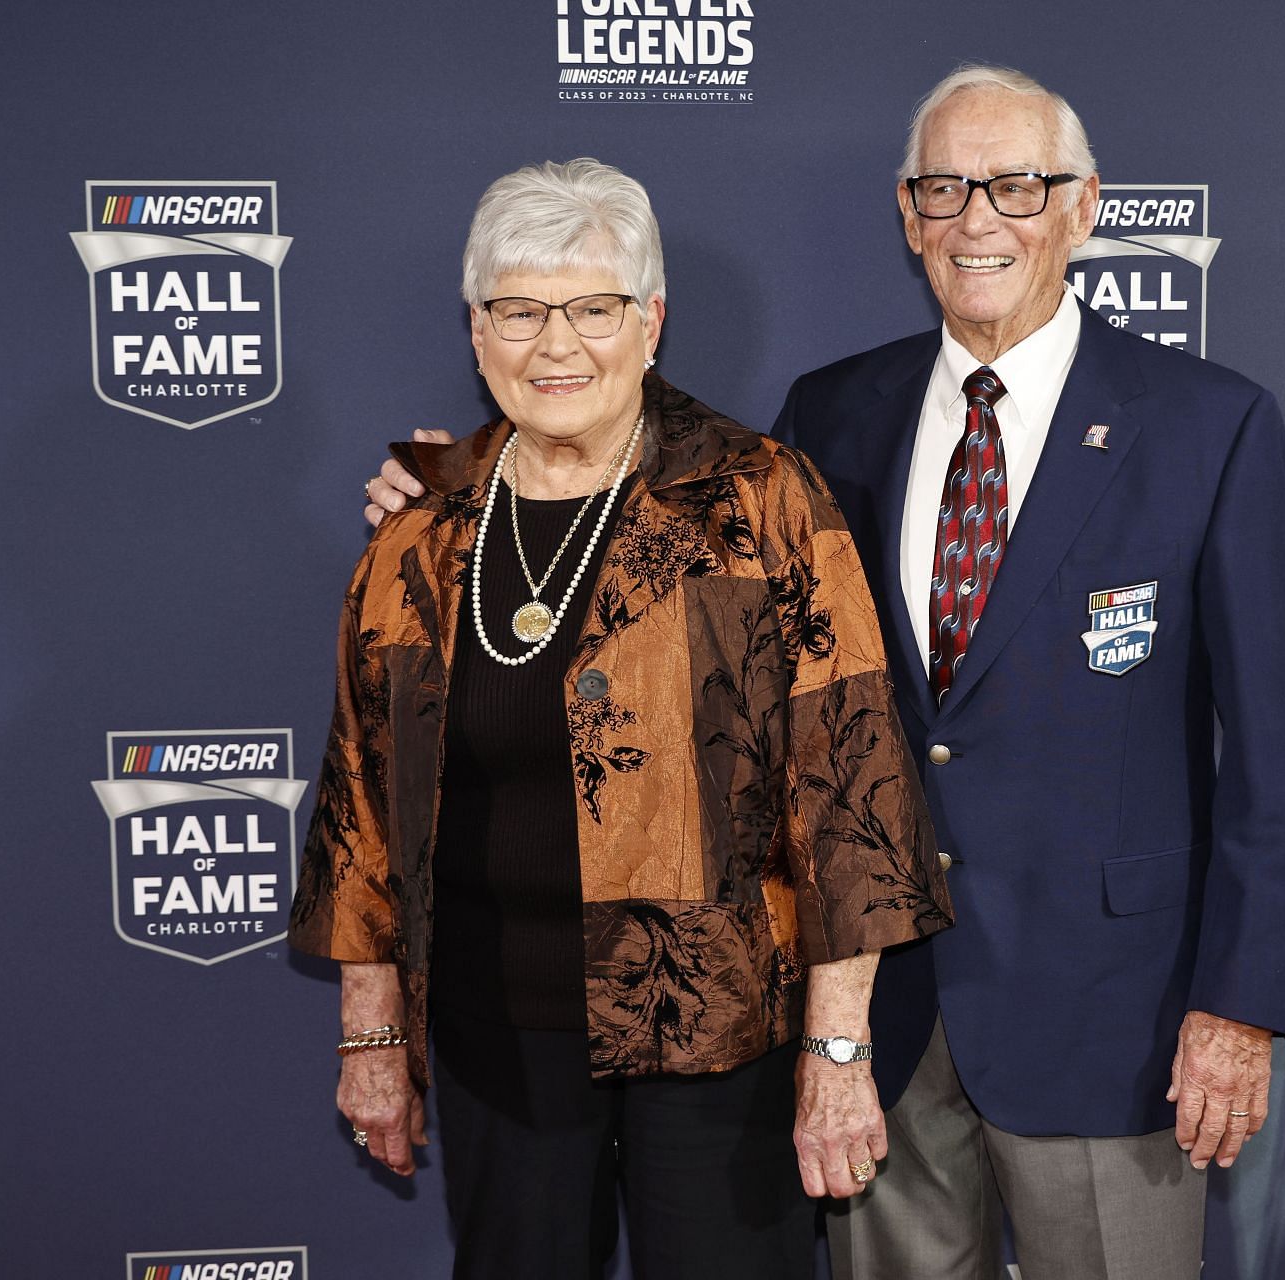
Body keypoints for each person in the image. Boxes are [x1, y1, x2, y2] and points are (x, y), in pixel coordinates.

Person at [369, 66, 1285, 1279]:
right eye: (943, 188)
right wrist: (463, 484)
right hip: (873, 1015)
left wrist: (1235, 1006)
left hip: (1112, 1015)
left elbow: (1275, 758)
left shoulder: (1207, 424)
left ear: (1083, 208)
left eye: (1016, 185)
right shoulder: (834, 413)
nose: (979, 218)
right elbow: (659, 507)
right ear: (909, 217)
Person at [295, 157, 951, 1280]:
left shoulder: (760, 499)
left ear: (651, 321)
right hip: (498, 1037)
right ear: (475, 328)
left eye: (593, 308)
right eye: (519, 310)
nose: (557, 345)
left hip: (722, 1035)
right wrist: (372, 1033)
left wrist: (838, 1049)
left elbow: (851, 795)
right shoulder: (424, 528)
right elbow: (364, 800)